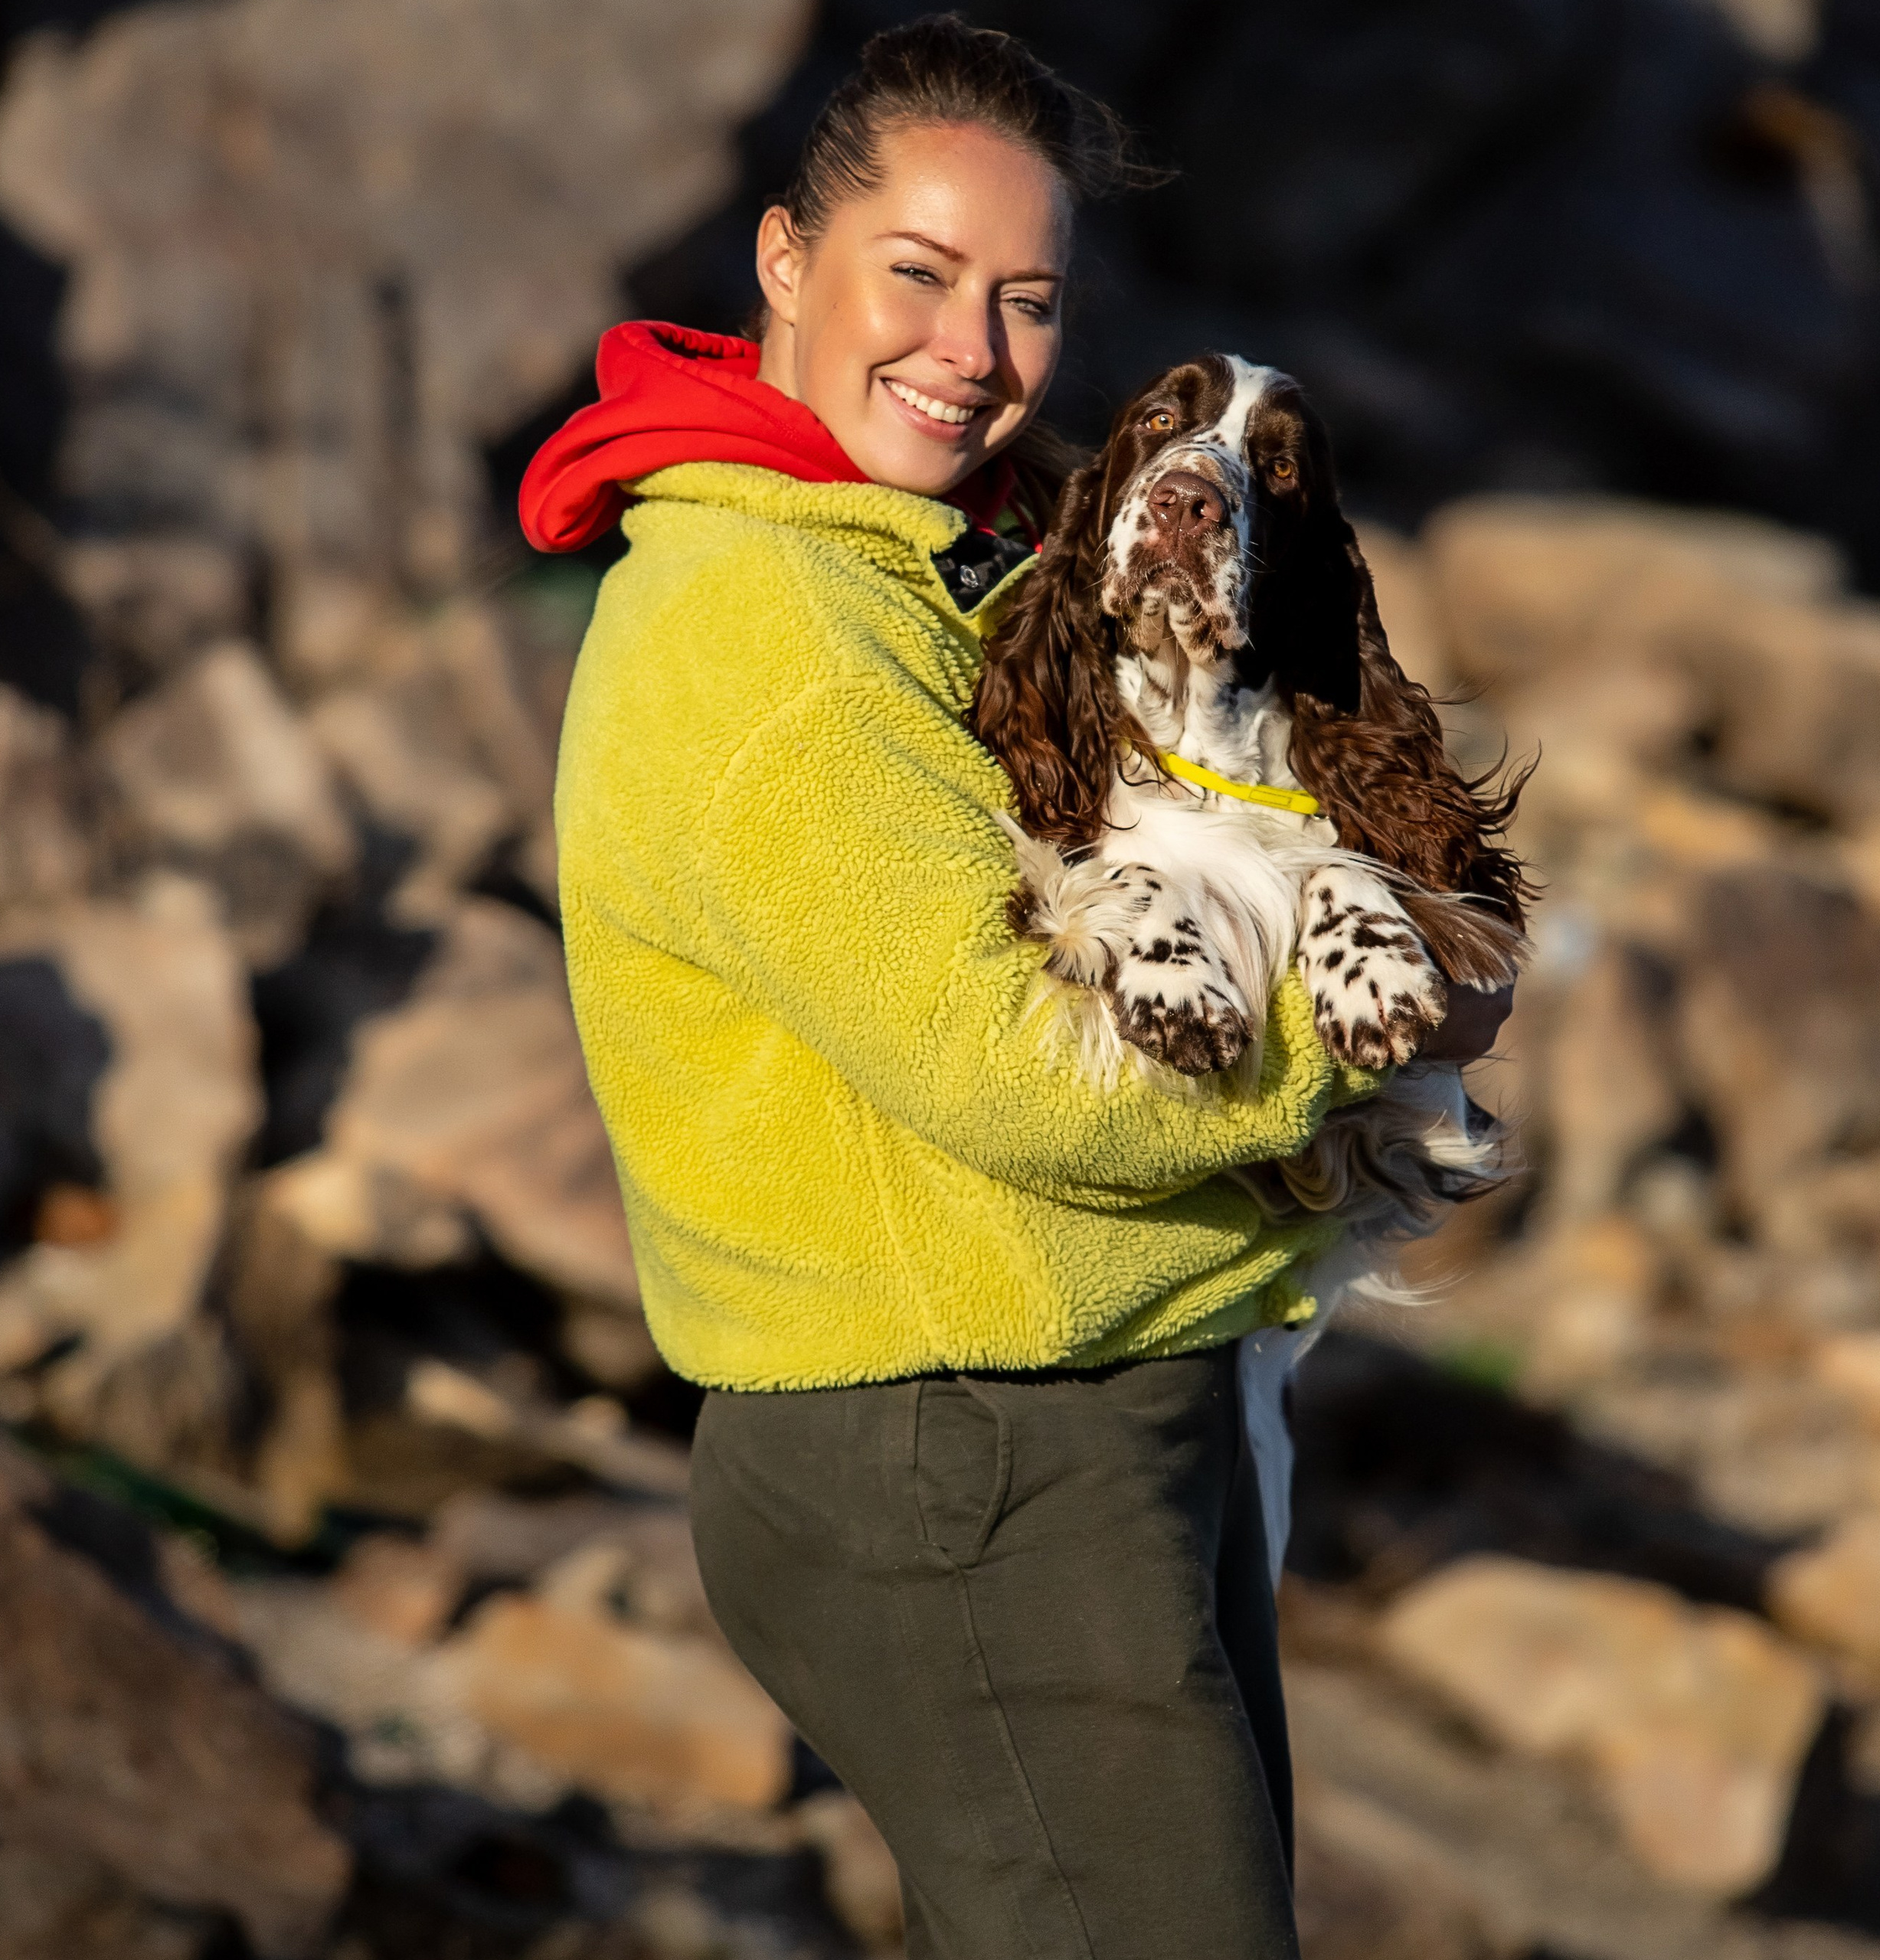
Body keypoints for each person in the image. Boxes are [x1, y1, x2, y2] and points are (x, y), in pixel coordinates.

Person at [523, 19, 1508, 1958]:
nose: (969, 349)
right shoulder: (770, 630)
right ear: (784, 259)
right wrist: (1376, 1013)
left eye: (1026, 300)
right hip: (961, 1449)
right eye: (916, 272)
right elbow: (1029, 1076)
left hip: (1073, 1415)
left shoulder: (923, 564)